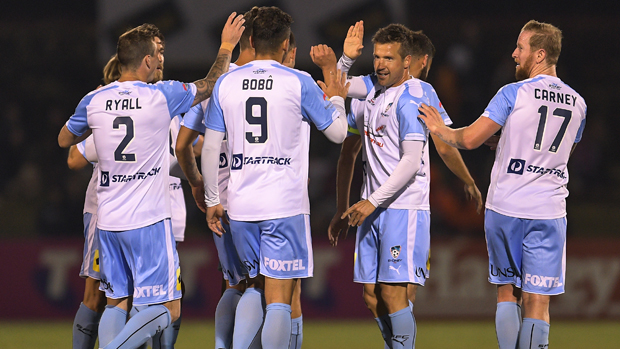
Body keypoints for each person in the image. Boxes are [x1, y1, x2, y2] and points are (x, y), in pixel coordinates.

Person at [58, 14, 245, 349]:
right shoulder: (162, 96)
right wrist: (226, 46)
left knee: (116, 300)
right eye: (157, 54)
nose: (162, 59)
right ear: (146, 60)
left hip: (109, 220)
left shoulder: (95, 99)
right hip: (148, 220)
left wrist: (100, 123)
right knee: (169, 308)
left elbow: (63, 141)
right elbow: (210, 82)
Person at [417, 20, 586, 349]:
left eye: (520, 48)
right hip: (549, 210)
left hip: (507, 205)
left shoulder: (513, 92)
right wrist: (509, 141)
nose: (514, 54)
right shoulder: (578, 103)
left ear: (539, 54)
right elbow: (561, 152)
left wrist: (440, 128)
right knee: (539, 302)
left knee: (508, 291)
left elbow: (467, 139)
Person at [201, 6, 349, 348]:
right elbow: (339, 133)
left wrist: (212, 200)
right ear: (286, 46)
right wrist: (337, 97)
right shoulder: (298, 82)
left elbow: (210, 149)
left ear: (250, 40)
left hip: (240, 204)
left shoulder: (226, 82)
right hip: (284, 204)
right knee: (280, 297)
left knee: (251, 284)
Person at [312, 23, 455, 348]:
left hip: (402, 209)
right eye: (376, 57)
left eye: (388, 58)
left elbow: (412, 160)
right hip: (372, 209)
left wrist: (371, 201)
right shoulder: (373, 90)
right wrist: (345, 59)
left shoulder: (413, 98)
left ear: (406, 61)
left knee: (393, 294)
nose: (380, 64)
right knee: (371, 296)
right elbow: (337, 88)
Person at [68, 136, 105, 349]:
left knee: (131, 298)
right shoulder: (106, 112)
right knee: (96, 296)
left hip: (140, 214)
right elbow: (74, 160)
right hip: (103, 211)